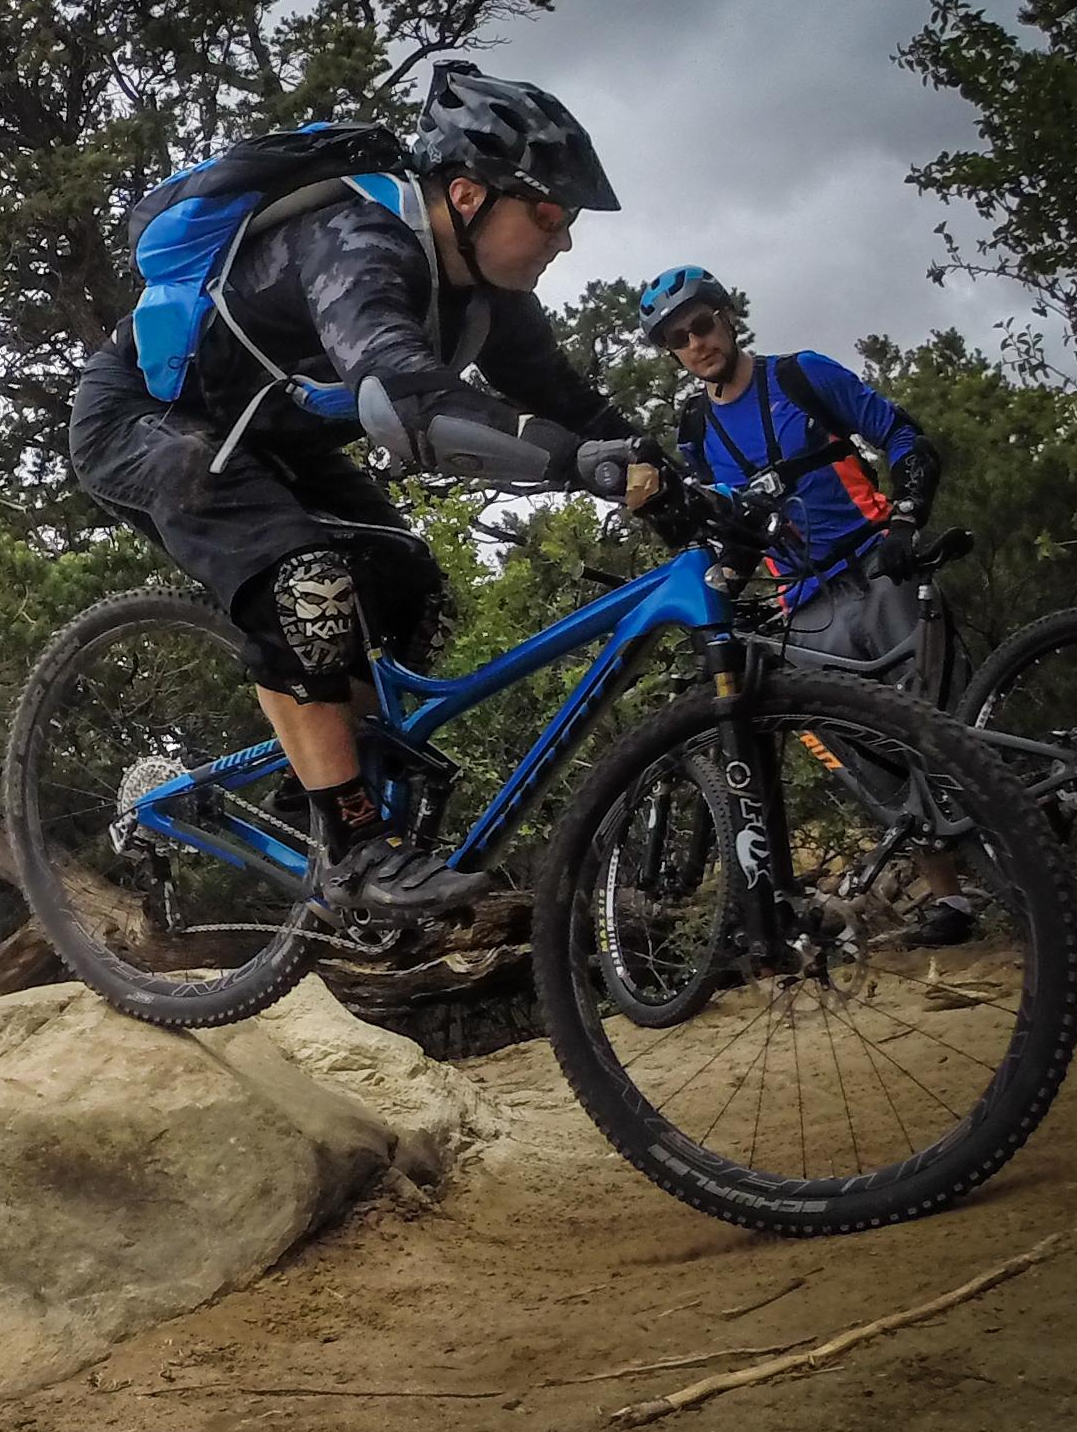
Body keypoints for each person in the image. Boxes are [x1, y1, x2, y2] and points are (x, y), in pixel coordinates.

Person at [70, 64, 666, 918]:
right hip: (148, 420)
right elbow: (407, 394)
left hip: (273, 435)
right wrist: (576, 464)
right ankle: (352, 850)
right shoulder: (361, 238)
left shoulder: (487, 298)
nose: (562, 239)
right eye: (548, 213)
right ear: (467, 194)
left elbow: (575, 404)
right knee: (304, 582)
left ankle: (315, 776)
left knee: (411, 588)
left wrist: (680, 474)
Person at [637, 265, 975, 947]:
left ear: (727, 316)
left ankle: (1045, 881)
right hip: (805, 607)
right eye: (679, 337)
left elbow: (906, 438)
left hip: (878, 570)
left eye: (702, 323)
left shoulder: (800, 375)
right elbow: (719, 532)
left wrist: (906, 526)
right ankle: (955, 905)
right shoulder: (696, 427)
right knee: (877, 758)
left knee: (953, 732)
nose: (696, 342)